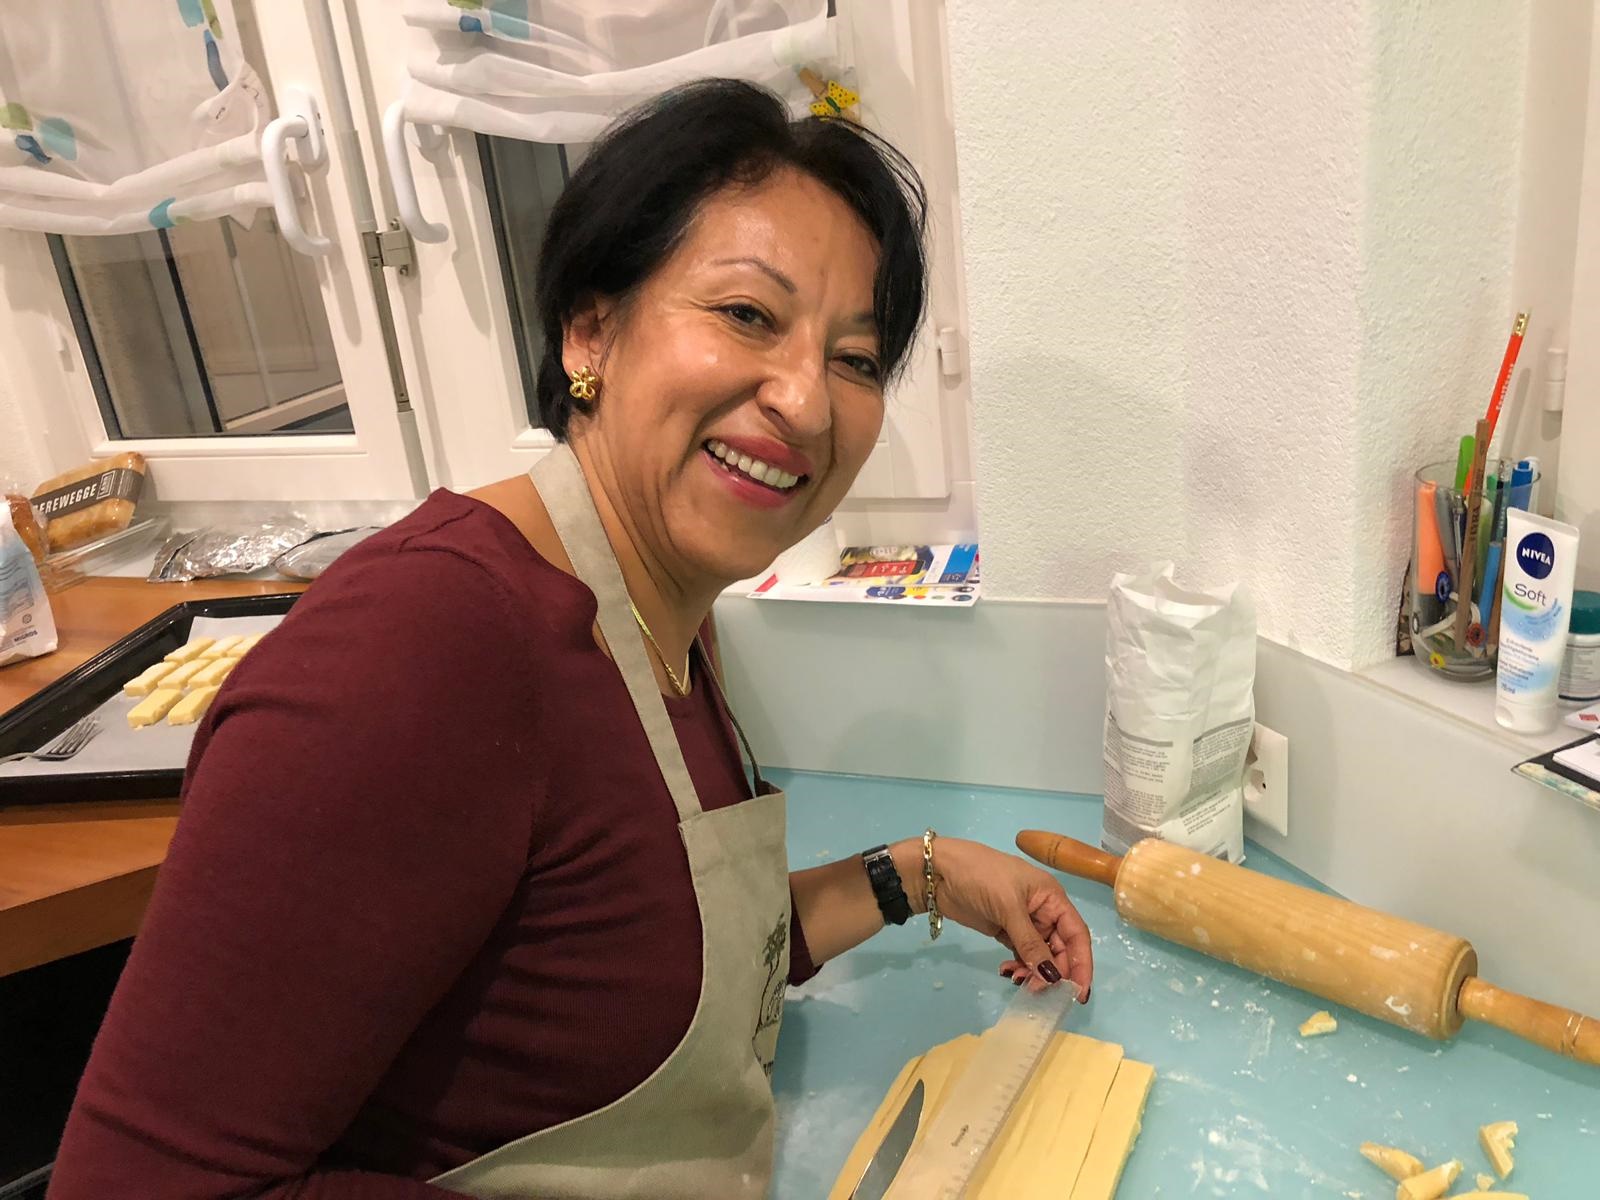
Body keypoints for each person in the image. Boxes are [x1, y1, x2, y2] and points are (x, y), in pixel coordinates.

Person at [48, 79, 1094, 1199]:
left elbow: (637, 958)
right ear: (591, 329)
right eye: (747, 314)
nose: (807, 401)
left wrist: (922, 875)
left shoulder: (661, 608)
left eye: (855, 358)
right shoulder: (422, 649)